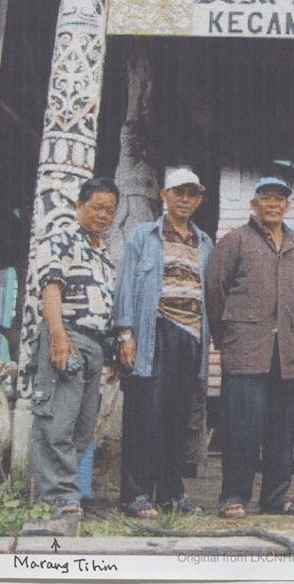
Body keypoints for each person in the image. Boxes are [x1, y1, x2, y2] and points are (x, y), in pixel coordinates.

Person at [206, 177, 294, 518]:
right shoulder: (235, 241)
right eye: (266, 198)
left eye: (280, 199)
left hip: (287, 352)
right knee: (241, 427)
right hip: (246, 349)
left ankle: (276, 496)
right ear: (254, 204)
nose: (273, 204)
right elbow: (215, 293)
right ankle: (234, 496)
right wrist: (230, 339)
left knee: (282, 431)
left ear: (287, 206)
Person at [113, 167, 213, 517]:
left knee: (177, 418)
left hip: (191, 338)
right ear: (164, 195)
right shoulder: (143, 236)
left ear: (199, 199)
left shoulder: (204, 243)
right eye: (178, 192)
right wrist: (126, 333)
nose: (184, 199)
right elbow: (125, 285)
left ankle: (171, 494)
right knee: (145, 415)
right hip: (154, 332)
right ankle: (135, 495)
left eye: (191, 194)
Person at [29, 177, 120, 518]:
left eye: (109, 210)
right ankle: (60, 497)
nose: (103, 215)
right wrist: (57, 336)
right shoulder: (62, 238)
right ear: (79, 206)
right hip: (67, 334)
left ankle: (67, 494)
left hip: (95, 345)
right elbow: (51, 287)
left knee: (83, 426)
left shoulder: (104, 254)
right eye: (96, 207)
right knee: (57, 420)